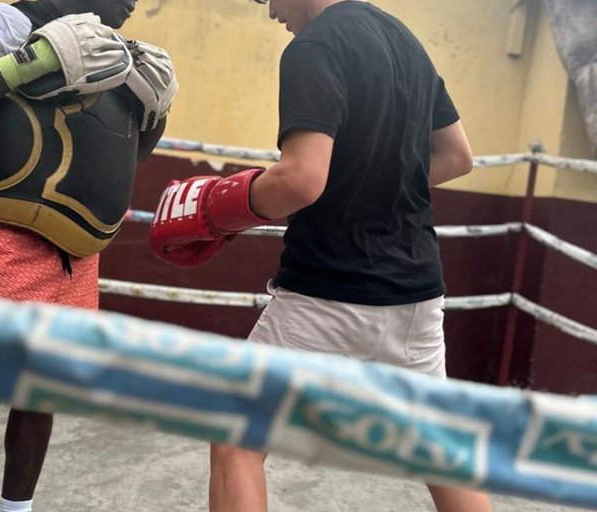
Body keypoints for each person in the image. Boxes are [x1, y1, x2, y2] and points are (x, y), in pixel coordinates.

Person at [148, 1, 493, 511]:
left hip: (327, 294)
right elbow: (456, 156)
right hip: (417, 295)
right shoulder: (405, 42)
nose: (269, 9)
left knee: (237, 437)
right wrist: (373, 186)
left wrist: (220, 208)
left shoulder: (315, 47)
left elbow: (302, 178)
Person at [0, 1, 176, 511]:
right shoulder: (8, 20)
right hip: (9, 243)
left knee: (40, 399)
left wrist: (152, 111)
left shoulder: (117, 53)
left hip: (79, 255)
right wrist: (29, 62)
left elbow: (117, 156)